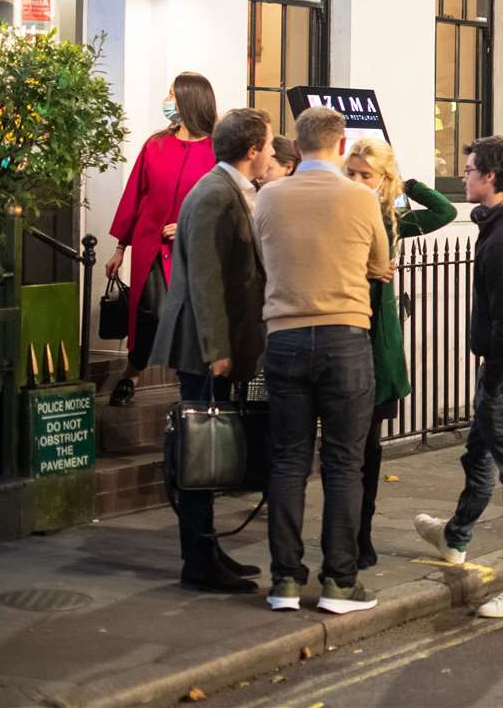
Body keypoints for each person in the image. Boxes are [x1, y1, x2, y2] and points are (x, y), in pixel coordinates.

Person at [255, 107, 391, 614]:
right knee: (343, 464)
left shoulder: (268, 196)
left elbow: (259, 256)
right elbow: (380, 265)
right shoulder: (360, 198)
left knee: (288, 461)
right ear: (340, 148)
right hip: (344, 338)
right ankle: (339, 583)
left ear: (296, 142)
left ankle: (285, 581)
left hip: (285, 338)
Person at [414, 137, 503, 618]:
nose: (464, 175)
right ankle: (454, 537)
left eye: (470, 169)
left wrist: (492, 382)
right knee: (480, 453)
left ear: (491, 178)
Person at [149, 107, 272, 594]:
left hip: (217, 343)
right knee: (201, 449)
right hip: (203, 345)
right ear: (251, 151)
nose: (270, 153)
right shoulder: (213, 195)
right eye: (267, 144)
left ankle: (206, 549)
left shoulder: (232, 190)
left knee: (211, 449)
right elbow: (203, 278)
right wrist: (216, 349)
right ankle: (198, 563)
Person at [342, 138, 455, 567]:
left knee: (370, 448)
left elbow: (443, 211)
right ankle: (345, 533)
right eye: (350, 173)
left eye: (365, 175)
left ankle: (363, 534)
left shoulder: (392, 219)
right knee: (345, 450)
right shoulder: (336, 212)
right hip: (344, 335)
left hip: (378, 343)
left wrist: (407, 184)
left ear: (382, 181)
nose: (355, 181)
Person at [104, 72, 218, 406]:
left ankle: (190, 388)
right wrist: (120, 247)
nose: (167, 101)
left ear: (189, 100)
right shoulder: (155, 145)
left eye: (172, 94)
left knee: (190, 318)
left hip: (192, 251)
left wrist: (185, 225)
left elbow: (219, 205)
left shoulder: (216, 151)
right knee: (147, 313)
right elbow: (134, 195)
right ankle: (132, 372)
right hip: (150, 247)